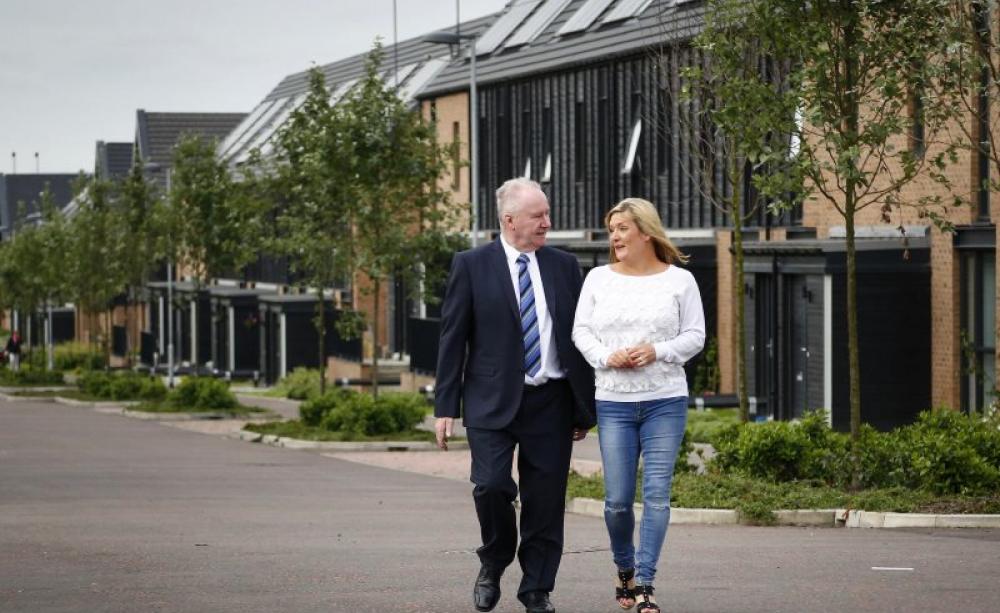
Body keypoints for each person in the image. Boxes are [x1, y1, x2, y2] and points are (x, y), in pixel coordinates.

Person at [434, 178, 596, 613]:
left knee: (545, 501)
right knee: (489, 486)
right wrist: (445, 407)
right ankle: (494, 560)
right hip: (490, 399)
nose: (548, 222)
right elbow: (453, 337)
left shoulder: (564, 265)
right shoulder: (471, 265)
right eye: (538, 215)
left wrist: (585, 404)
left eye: (546, 213)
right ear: (509, 220)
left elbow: (578, 337)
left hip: (552, 402)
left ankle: (537, 589)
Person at [571, 198, 705, 613]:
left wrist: (657, 350)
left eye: (623, 228)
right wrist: (605, 357)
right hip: (613, 402)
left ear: (646, 232)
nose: (615, 236)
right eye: (612, 229)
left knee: (657, 496)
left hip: (665, 401)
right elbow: (581, 331)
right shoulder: (597, 278)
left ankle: (645, 583)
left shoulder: (679, 281)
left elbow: (695, 336)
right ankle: (624, 569)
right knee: (616, 501)